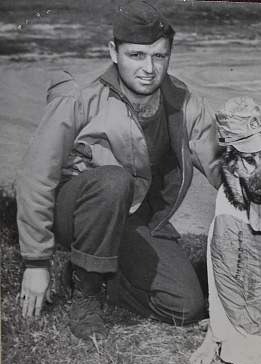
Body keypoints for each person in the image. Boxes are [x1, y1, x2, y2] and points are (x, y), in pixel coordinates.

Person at [16, 0, 222, 340]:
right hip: (77, 211)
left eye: (159, 56)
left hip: (134, 216)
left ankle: (96, 276)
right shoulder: (80, 96)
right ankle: (86, 298)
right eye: (137, 55)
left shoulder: (185, 101)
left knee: (185, 307)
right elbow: (36, 175)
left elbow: (219, 166)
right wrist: (36, 262)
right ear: (114, 52)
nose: (149, 68)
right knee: (114, 181)